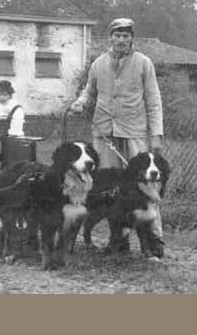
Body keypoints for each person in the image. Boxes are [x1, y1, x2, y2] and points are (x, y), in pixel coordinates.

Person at [70, 17, 164, 252]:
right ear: (111, 37)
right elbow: (89, 91)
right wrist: (80, 102)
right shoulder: (98, 64)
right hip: (103, 131)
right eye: (117, 35)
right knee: (108, 188)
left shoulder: (144, 63)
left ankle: (154, 239)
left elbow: (153, 100)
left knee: (145, 186)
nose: (121, 40)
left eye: (126, 36)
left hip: (133, 131)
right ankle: (118, 239)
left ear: (132, 38)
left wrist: (157, 134)